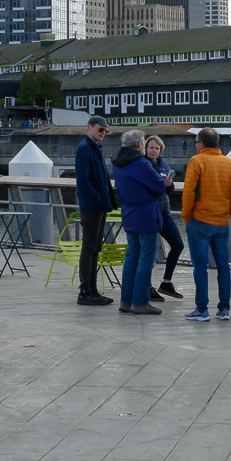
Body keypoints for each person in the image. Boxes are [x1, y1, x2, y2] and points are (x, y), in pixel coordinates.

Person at [180, 127, 231, 321]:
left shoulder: (197, 161)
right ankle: (224, 309)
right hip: (221, 222)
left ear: (201, 144)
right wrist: (225, 215)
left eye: (196, 142)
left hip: (200, 221)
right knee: (223, 266)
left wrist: (187, 217)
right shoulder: (229, 163)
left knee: (200, 267)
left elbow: (188, 193)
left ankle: (202, 310)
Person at [112, 130, 166, 315]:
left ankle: (125, 301)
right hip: (145, 214)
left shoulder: (118, 163)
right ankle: (140, 301)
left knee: (131, 257)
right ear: (140, 145)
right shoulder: (141, 162)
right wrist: (165, 182)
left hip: (129, 212)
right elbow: (159, 186)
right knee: (146, 259)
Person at [73, 117, 115, 306]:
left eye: (106, 130)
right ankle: (85, 291)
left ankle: (93, 289)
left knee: (95, 247)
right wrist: (98, 200)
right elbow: (83, 180)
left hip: (99, 206)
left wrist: (108, 200)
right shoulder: (85, 148)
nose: (103, 132)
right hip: (92, 207)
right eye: (100, 129)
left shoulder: (95, 148)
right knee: (89, 248)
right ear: (90, 127)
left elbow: (102, 179)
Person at [146, 134, 184, 300]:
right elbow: (150, 189)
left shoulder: (163, 164)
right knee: (148, 252)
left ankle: (166, 283)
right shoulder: (143, 165)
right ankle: (146, 287)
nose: (154, 151)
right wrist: (163, 184)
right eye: (152, 147)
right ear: (145, 149)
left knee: (178, 245)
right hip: (150, 215)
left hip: (164, 213)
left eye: (157, 148)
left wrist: (169, 184)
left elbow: (168, 189)